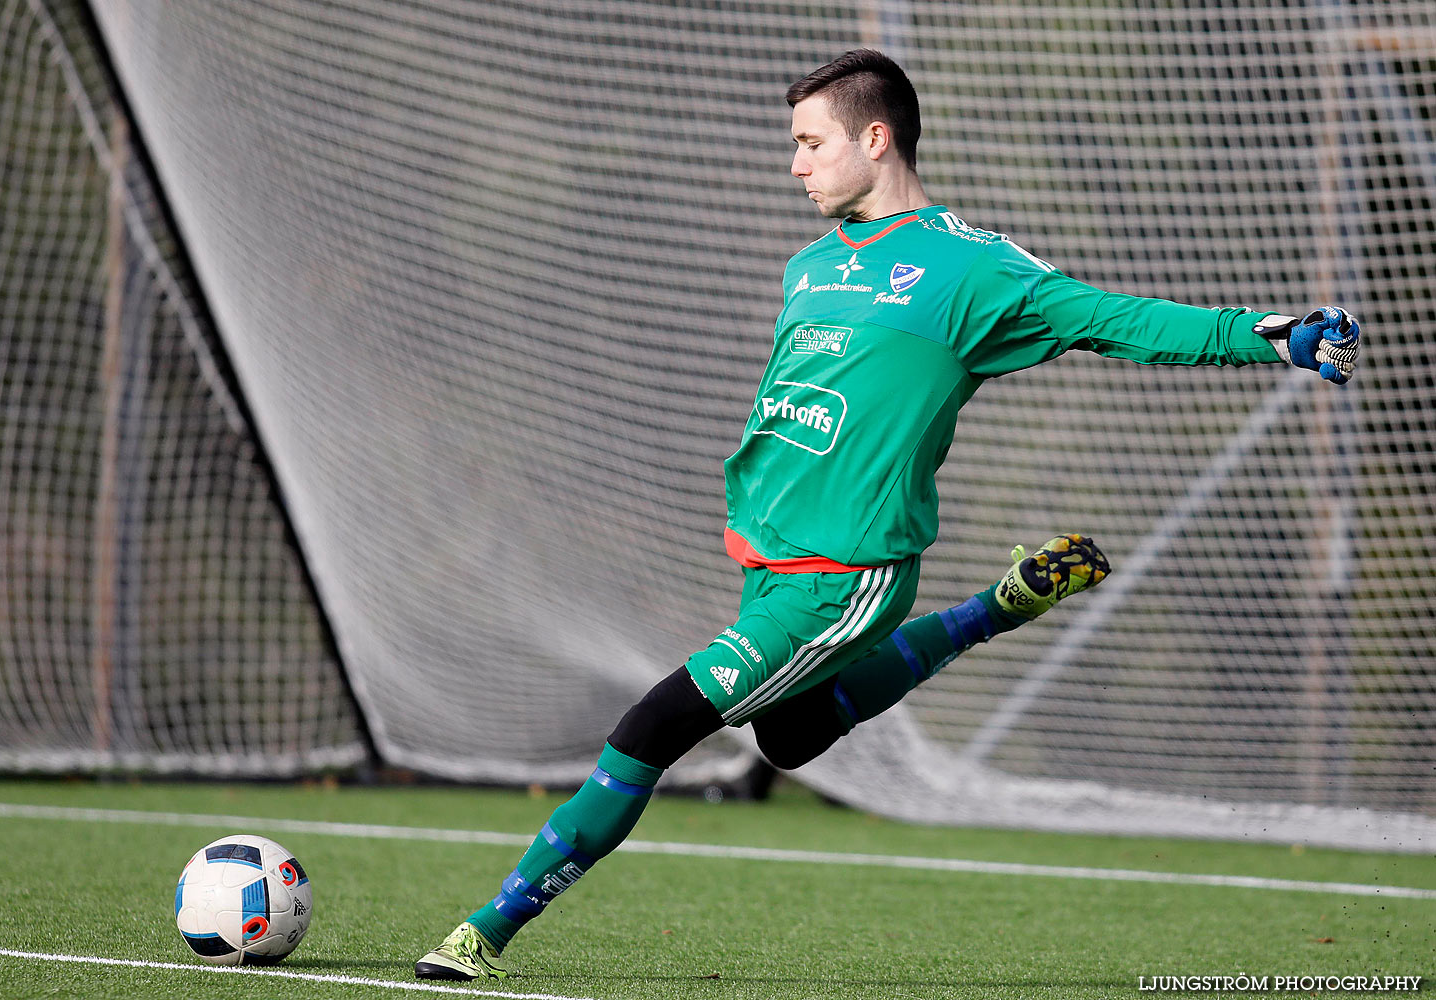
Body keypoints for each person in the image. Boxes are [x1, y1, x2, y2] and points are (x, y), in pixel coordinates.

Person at [414, 48, 1360, 982]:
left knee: (650, 728)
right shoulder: (809, 268)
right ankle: (991, 610)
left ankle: (484, 933)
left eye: (810, 141)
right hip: (769, 565)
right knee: (789, 736)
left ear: (876, 137)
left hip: (845, 574)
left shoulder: (970, 271)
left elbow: (1111, 318)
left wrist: (1264, 335)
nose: (796, 164)